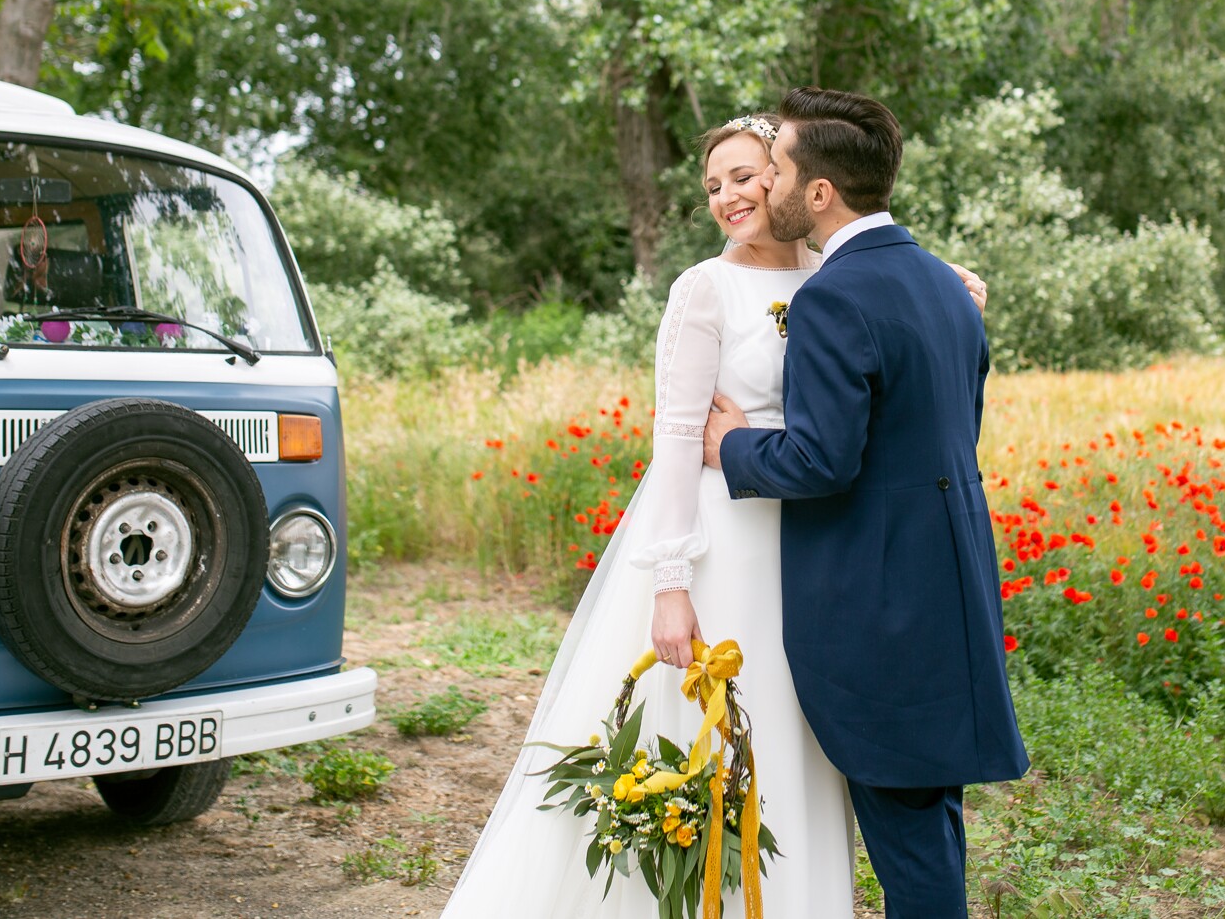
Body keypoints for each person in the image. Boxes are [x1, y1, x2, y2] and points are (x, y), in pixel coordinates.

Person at [439, 112, 988, 918]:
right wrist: (670, 579)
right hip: (728, 544)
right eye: (712, 184)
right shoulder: (705, 287)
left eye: (746, 174)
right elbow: (675, 435)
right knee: (721, 741)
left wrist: (956, 290)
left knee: (800, 752)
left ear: (792, 179)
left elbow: (887, 351)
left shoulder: (833, 274)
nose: (729, 195)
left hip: (819, 556)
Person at [704, 87, 1029, 919]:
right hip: (952, 588)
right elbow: (947, 430)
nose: (764, 182)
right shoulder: (946, 285)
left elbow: (823, 460)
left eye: (774, 167)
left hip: (883, 609)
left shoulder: (833, 297)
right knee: (929, 824)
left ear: (818, 192)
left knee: (912, 849)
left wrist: (731, 445)